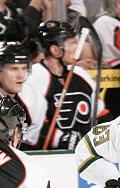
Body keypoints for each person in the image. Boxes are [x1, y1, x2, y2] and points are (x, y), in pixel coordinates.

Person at [26, 21, 109, 150]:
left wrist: (107, 135)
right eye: (72, 43)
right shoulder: (33, 77)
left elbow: (101, 114)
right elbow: (28, 123)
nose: (77, 48)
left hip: (84, 153)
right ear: (55, 50)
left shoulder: (80, 74)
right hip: (48, 157)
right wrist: (60, 138)